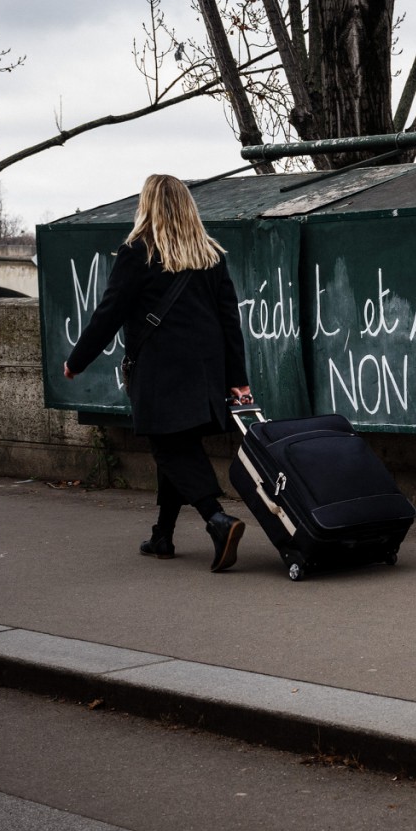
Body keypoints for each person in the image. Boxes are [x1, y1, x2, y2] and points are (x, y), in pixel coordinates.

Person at [65, 174, 250, 572]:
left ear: (147, 205)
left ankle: (218, 520)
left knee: (169, 447)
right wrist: (238, 380)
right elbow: (229, 323)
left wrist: (76, 360)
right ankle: (162, 536)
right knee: (177, 444)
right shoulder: (210, 255)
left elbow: (108, 314)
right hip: (205, 373)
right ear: (187, 206)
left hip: (160, 372)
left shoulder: (138, 253)